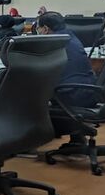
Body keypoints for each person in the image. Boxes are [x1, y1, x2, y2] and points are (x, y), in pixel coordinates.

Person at [35, 12, 98, 144]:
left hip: (71, 96)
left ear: (45, 29)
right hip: (90, 93)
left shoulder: (52, 43)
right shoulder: (71, 36)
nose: (37, 31)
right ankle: (76, 136)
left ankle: (30, 141)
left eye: (38, 28)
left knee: (29, 93)